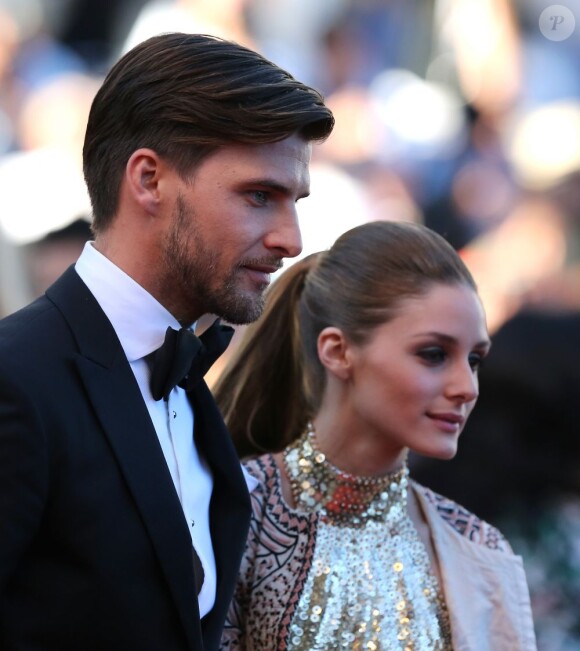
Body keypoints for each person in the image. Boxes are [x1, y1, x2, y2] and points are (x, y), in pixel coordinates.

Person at [0, 32, 333, 651]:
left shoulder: (186, 380)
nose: (291, 238)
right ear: (149, 179)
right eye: (260, 196)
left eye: (294, 201)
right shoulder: (17, 380)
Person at [214, 220, 537, 650]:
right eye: (434, 354)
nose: (467, 386)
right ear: (338, 351)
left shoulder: (477, 547)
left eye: (474, 359)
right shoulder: (232, 509)